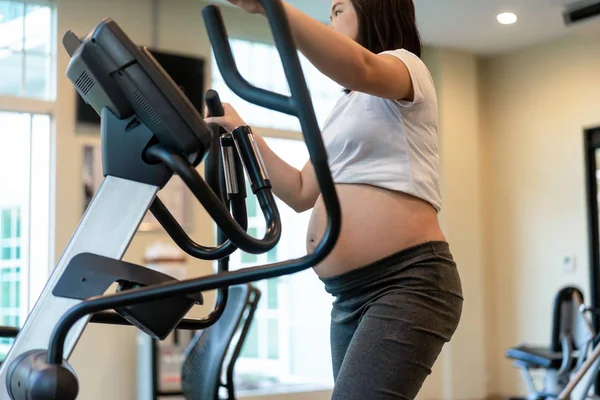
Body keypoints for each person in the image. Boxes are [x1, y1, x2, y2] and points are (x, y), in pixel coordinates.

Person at [206, 1, 464, 399]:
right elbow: (299, 191)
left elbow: (358, 67)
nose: (330, 21)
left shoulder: (407, 68)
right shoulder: (345, 110)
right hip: (347, 295)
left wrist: (269, 7)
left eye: (338, 11)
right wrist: (242, 130)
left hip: (407, 281)